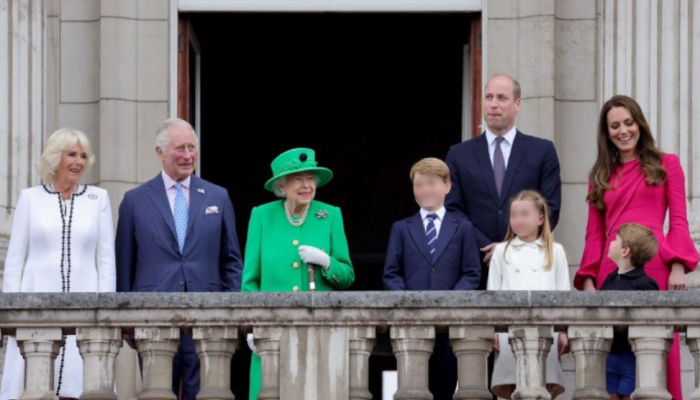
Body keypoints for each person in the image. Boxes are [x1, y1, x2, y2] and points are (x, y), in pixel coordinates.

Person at [574, 95, 698, 400]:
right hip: (610, 270)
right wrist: (589, 279)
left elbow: (679, 221)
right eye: (615, 126)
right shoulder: (600, 176)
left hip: (655, 266)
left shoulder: (667, 164)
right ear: (607, 133)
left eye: (628, 123)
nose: (623, 131)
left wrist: (679, 265)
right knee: (613, 361)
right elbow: (594, 234)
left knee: (656, 353)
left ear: (639, 124)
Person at [115, 118, 243, 400]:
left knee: (208, 394)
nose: (187, 155)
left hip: (209, 318)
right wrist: (126, 320)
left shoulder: (217, 196)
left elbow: (231, 260)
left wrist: (232, 309)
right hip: (153, 317)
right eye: (179, 149)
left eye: (191, 147)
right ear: (160, 153)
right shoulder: (135, 200)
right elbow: (124, 263)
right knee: (156, 394)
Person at [1, 129, 116, 400]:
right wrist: (10, 312)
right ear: (55, 158)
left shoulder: (98, 199)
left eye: (83, 156)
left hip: (85, 304)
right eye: (71, 154)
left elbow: (106, 260)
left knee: (80, 385)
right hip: (35, 302)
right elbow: (16, 259)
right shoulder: (30, 198)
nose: (79, 161)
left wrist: (108, 312)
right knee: (33, 386)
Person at [242, 147, 355, 400]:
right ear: (282, 185)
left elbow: (347, 276)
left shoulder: (330, 215)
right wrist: (251, 326)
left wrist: (327, 263)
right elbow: (250, 280)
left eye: (310, 178)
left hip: (319, 331)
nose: (307, 185)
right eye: (299, 179)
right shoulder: (261, 216)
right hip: (272, 331)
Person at [445, 74, 562, 288]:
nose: (493, 105)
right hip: (474, 265)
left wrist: (513, 247)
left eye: (501, 98)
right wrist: (487, 246)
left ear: (517, 104)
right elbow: (452, 209)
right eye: (488, 97)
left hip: (527, 267)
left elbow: (550, 206)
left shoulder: (541, 151)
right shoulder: (459, 154)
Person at [383, 157, 481, 400]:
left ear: (447, 186)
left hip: (451, 326)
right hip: (413, 324)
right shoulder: (401, 228)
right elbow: (392, 273)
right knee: (413, 388)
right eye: (419, 185)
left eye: (431, 183)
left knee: (447, 385)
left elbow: (471, 273)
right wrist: (407, 303)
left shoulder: (463, 226)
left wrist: (450, 303)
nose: (425, 190)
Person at [487, 190, 570, 400]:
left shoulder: (556, 251)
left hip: (546, 330)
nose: (518, 220)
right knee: (510, 387)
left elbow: (564, 294)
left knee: (542, 386)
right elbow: (492, 294)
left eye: (525, 214)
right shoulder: (502, 251)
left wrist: (563, 331)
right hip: (509, 331)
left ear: (540, 219)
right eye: (514, 215)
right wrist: (493, 329)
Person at [600, 223, 660, 400]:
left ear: (625, 251)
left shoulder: (645, 284)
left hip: (632, 355)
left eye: (615, 240)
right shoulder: (609, 280)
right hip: (609, 353)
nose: (610, 243)